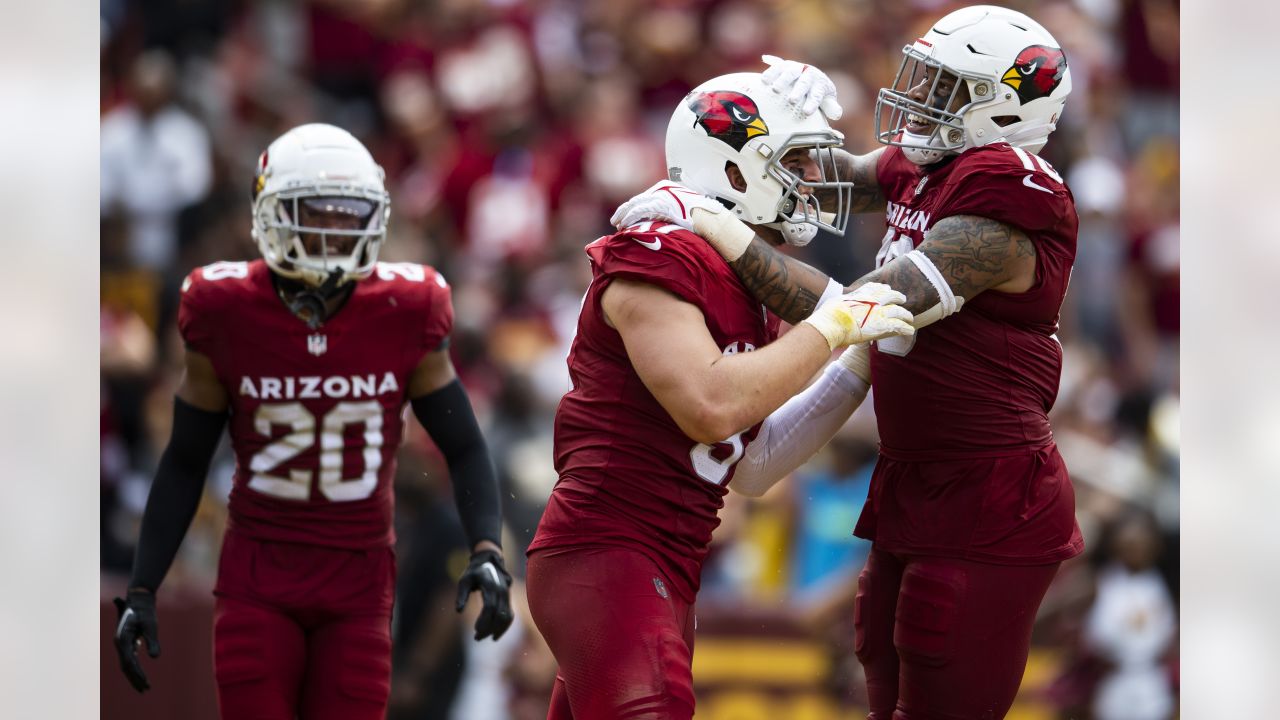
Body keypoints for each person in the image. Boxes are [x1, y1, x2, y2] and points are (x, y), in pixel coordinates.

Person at [613, 6, 1083, 718]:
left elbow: (866, 308)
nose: (921, 99)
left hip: (990, 499)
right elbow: (823, 179)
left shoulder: (1010, 193)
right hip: (916, 480)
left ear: (1009, 106)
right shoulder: (938, 163)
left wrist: (715, 226)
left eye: (947, 88)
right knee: (884, 677)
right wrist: (764, 117)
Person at [525, 72, 916, 720]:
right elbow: (710, 406)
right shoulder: (661, 252)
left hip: (667, 567)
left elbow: (752, 466)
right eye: (795, 160)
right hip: (608, 552)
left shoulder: (745, 281)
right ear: (734, 168)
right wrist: (836, 327)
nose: (813, 179)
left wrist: (854, 367)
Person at [110, 122, 514, 720]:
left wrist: (487, 547)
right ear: (270, 213)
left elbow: (464, 445)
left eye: (347, 215)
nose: (332, 231)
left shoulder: (406, 307)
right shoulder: (222, 308)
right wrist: (143, 585)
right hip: (258, 582)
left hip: (359, 586)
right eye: (315, 213)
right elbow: (186, 458)